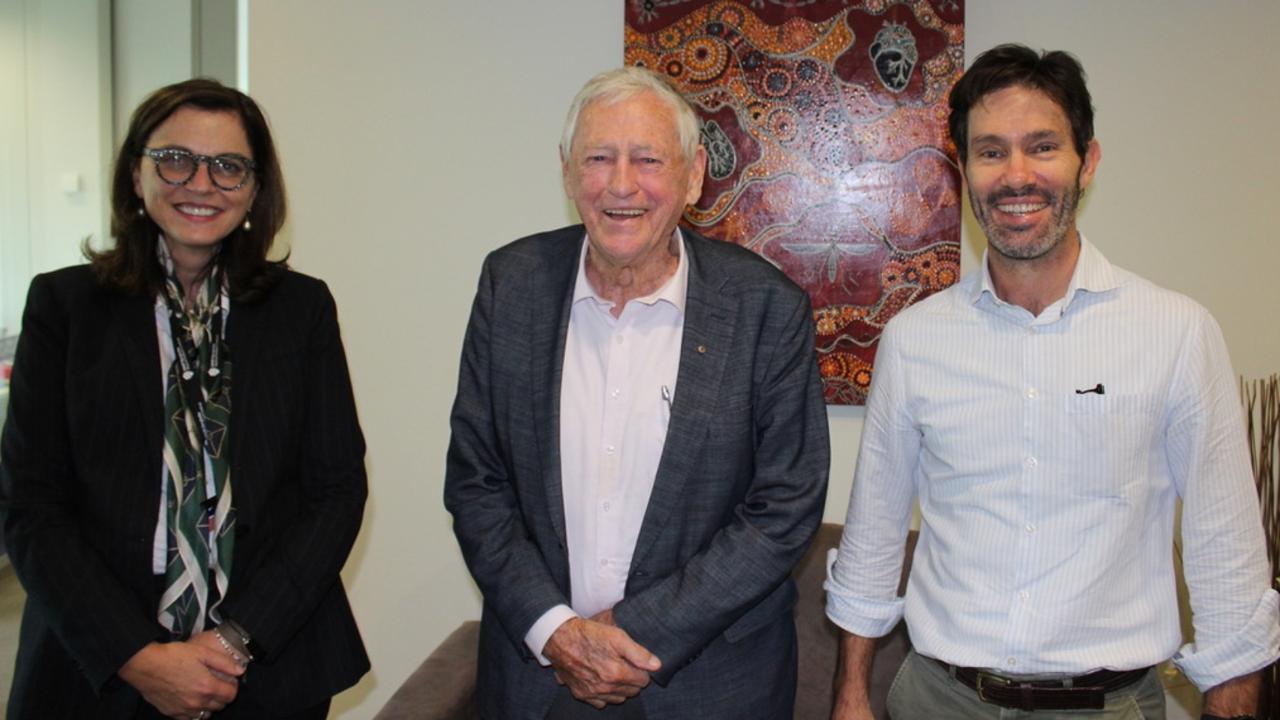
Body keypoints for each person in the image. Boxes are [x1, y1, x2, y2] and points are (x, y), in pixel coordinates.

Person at [824, 44, 1280, 720]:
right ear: (962, 168)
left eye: (1042, 147)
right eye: (990, 151)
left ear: (1087, 162)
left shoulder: (1177, 334)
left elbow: (1228, 559)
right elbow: (872, 538)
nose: (1017, 176)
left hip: (1109, 706)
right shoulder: (914, 342)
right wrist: (851, 695)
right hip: (937, 699)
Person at [444, 66, 829, 719]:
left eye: (648, 159)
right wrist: (556, 631)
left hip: (712, 685)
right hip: (539, 677)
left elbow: (785, 506)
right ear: (568, 172)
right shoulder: (510, 286)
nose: (622, 185)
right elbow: (477, 483)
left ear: (694, 173)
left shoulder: (767, 309)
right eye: (599, 158)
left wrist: (633, 630)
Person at [0, 78, 369, 719]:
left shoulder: (302, 309)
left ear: (256, 189)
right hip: (97, 672)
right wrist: (138, 656)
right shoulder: (65, 308)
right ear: (136, 177)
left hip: (267, 671)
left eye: (229, 166)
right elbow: (31, 506)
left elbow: (336, 492)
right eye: (175, 159)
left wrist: (232, 640)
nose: (200, 184)